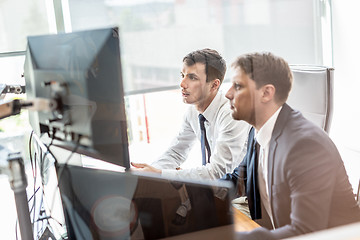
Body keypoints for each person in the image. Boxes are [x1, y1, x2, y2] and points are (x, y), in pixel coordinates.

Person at [223, 52, 360, 240]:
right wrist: (188, 196)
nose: (228, 93)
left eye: (238, 86)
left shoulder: (305, 146)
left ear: (266, 93)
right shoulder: (258, 132)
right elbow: (238, 180)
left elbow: (306, 231)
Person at [131, 48, 249, 224]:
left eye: (192, 77)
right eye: (182, 75)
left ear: (214, 85)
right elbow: (176, 153)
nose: (182, 84)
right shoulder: (192, 113)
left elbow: (216, 171)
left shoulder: (231, 114)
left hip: (240, 199)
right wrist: (148, 174)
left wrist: (161, 174)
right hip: (214, 192)